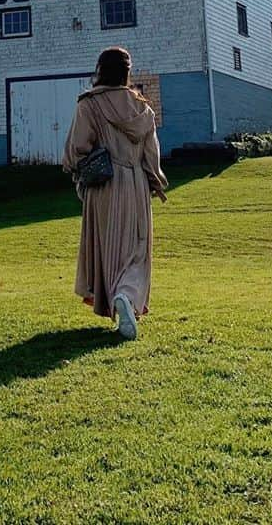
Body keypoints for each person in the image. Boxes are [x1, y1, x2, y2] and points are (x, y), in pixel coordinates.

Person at [62, 47, 168, 340]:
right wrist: (155, 182)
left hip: (103, 184)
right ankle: (127, 296)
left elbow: (76, 150)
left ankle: (119, 296)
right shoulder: (142, 108)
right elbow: (151, 155)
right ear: (127, 71)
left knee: (110, 247)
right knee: (135, 248)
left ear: (100, 69)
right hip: (135, 184)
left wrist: (79, 171)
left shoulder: (89, 104)